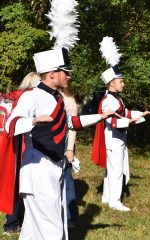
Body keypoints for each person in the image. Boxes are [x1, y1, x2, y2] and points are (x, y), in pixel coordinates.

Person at [5, 47, 116, 240]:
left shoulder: (56, 97)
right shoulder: (32, 96)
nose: (69, 77)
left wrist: (101, 116)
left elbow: (70, 122)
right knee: (52, 229)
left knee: (36, 231)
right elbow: (10, 125)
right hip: (38, 169)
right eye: (65, 72)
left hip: (54, 166)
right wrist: (32, 121)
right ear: (51, 74)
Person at [91, 65, 150, 212]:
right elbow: (109, 120)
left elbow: (124, 112)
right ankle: (115, 201)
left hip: (117, 138)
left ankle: (107, 197)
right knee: (116, 170)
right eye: (121, 81)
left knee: (112, 170)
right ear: (112, 82)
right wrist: (128, 121)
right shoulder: (108, 100)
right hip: (113, 140)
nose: (123, 84)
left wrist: (140, 114)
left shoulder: (115, 98)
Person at [3, 72, 41, 235]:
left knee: (12, 185)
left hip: (8, 148)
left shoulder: (9, 98)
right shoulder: (28, 99)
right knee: (22, 185)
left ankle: (12, 223)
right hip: (22, 147)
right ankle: (16, 224)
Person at [60, 86, 78, 228]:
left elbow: (72, 126)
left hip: (65, 145)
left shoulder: (68, 99)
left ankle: (70, 217)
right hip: (52, 144)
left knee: (67, 180)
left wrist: (70, 149)